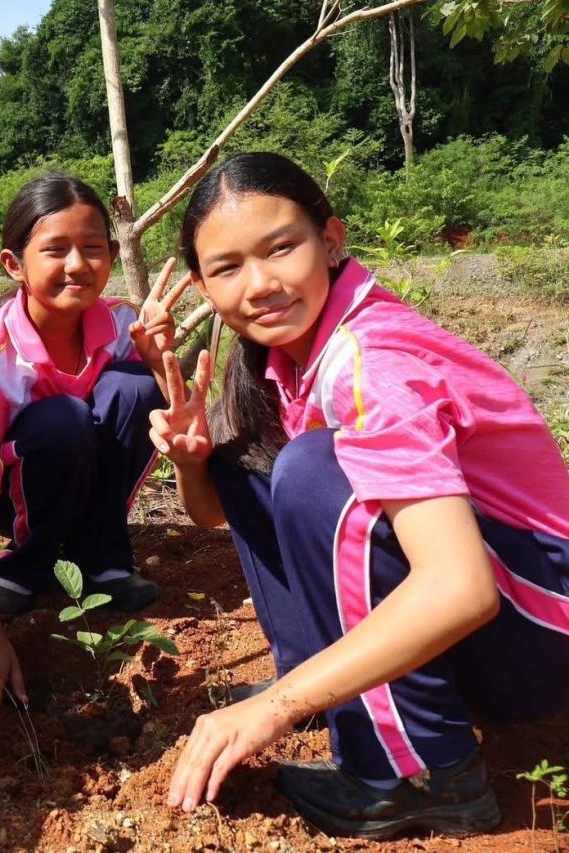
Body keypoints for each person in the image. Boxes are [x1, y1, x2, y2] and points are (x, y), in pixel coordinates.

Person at [154, 151, 569, 839]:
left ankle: (421, 773)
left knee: (314, 470)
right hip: (514, 616)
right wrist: (194, 463)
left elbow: (462, 588)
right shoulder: (294, 355)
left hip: (542, 630)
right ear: (201, 284)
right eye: (228, 267)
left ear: (332, 239)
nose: (259, 284)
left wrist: (277, 707)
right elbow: (221, 515)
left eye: (281, 248)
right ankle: (335, 681)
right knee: (254, 467)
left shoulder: (371, 363)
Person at [0, 174, 183, 731]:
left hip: (86, 477)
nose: (77, 264)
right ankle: (27, 566)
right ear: (13, 264)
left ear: (112, 254)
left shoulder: (122, 323)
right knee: (65, 419)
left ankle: (101, 558)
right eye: (55, 249)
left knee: (137, 388)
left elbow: (179, 414)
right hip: (13, 493)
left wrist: (162, 359)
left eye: (92, 248)